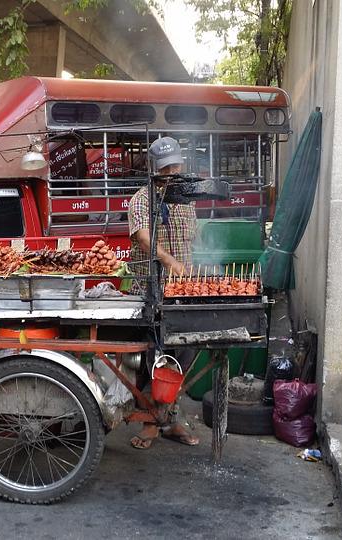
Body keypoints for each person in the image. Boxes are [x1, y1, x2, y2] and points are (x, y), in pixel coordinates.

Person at [126, 136, 200, 450]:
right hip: (149, 290)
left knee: (184, 353)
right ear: (154, 169)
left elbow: (194, 240)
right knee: (152, 357)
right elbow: (143, 237)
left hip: (181, 292)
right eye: (167, 167)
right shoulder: (142, 199)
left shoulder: (186, 201)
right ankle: (149, 421)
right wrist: (169, 261)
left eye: (177, 165)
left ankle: (168, 417)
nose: (173, 172)